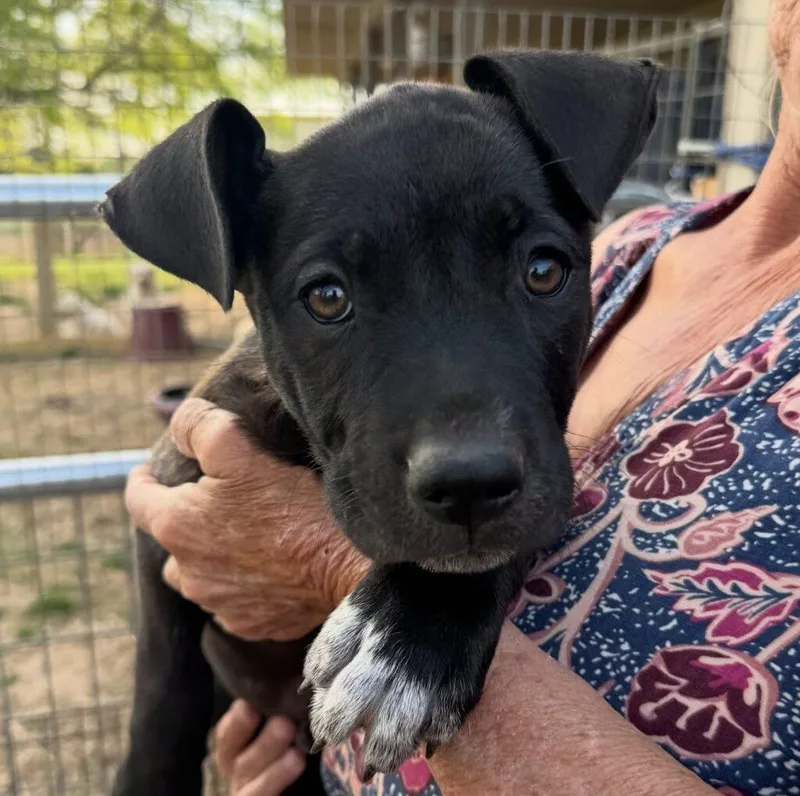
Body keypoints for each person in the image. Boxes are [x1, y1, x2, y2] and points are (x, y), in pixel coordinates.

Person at [125, 3, 800, 794]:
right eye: (328, 296)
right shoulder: (637, 245)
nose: (471, 453)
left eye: (541, 271)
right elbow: (171, 514)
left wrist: (359, 570)